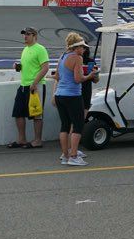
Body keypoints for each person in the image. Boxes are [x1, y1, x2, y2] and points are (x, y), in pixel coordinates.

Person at [55, 32, 98, 166]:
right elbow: (78, 79)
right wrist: (90, 75)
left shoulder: (62, 56)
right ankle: (73, 156)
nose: (84, 50)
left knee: (65, 125)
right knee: (78, 125)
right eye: (82, 47)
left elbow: (57, 76)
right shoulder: (77, 58)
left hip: (59, 95)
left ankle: (65, 154)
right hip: (72, 96)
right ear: (77, 47)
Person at [10, 26, 50, 149]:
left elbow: (45, 67)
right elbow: (28, 66)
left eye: (27, 34)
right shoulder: (25, 49)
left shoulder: (40, 49)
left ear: (34, 35)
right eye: (24, 34)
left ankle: (37, 140)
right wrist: (18, 67)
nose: (25, 36)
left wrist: (34, 83)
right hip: (23, 85)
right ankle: (22, 139)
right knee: (18, 112)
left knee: (36, 114)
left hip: (35, 86)